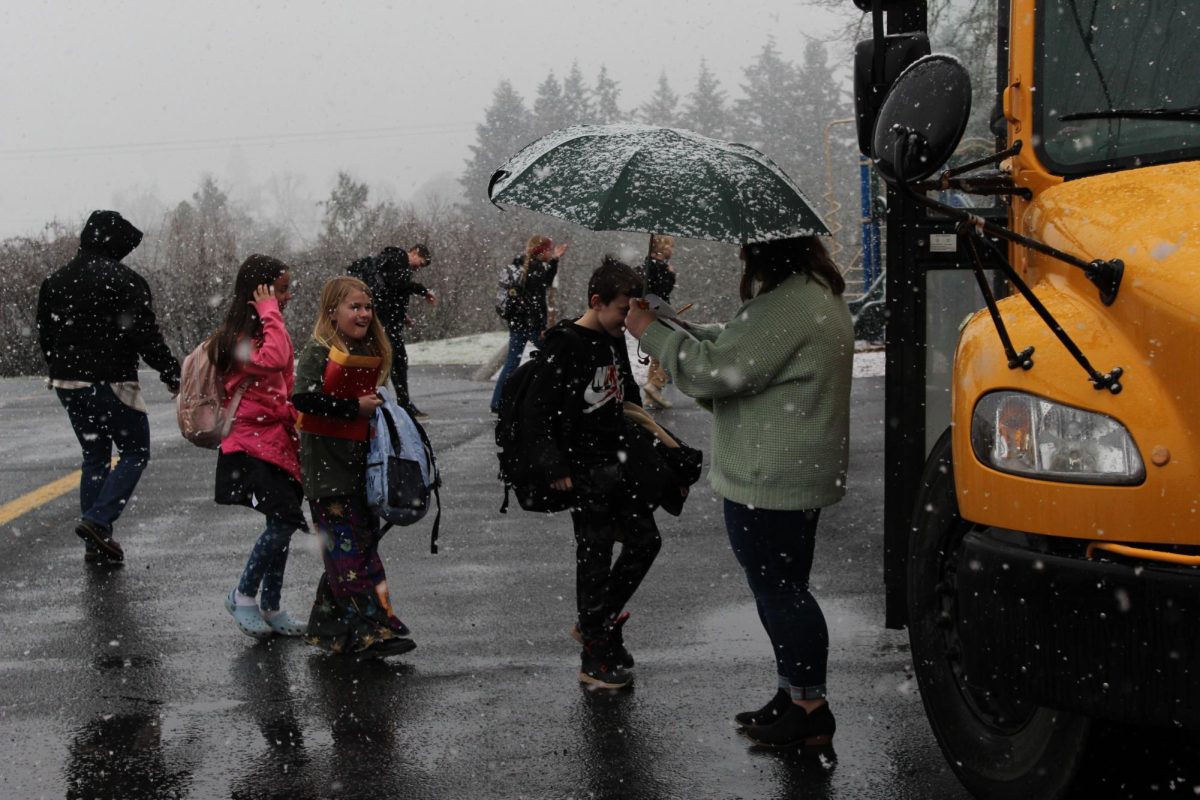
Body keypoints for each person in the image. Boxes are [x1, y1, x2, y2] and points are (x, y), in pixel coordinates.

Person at [625, 236, 853, 749]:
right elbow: (740, 345)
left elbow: (713, 370)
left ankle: (810, 709)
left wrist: (650, 332)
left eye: (747, 252)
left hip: (768, 475)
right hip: (792, 471)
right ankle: (792, 692)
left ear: (767, 254)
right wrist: (680, 327)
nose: (743, 260)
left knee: (782, 593)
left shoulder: (788, 304)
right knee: (784, 588)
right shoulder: (815, 292)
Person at [525, 256, 660, 689]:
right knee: (595, 556)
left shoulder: (612, 338)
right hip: (583, 469)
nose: (628, 320)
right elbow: (537, 411)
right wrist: (554, 465)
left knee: (646, 541)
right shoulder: (564, 343)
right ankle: (594, 657)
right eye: (624, 310)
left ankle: (596, 625)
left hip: (619, 462)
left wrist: (649, 442)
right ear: (596, 301)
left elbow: (629, 398)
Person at [36, 210, 180, 564]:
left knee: (94, 455)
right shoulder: (125, 280)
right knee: (135, 451)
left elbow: (46, 334)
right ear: (114, 242)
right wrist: (170, 371)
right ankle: (99, 522)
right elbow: (144, 334)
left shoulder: (55, 281)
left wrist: (63, 366)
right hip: (112, 380)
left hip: (67, 381)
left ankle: (95, 546)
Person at [292, 276, 415, 658]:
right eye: (354, 307)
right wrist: (352, 407)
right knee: (347, 555)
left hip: (362, 468)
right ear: (332, 312)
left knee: (358, 550)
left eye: (367, 307)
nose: (363, 314)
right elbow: (302, 399)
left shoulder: (364, 349)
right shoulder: (319, 350)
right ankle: (370, 629)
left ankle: (332, 630)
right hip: (327, 473)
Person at [210, 255, 309, 640]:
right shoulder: (237, 338)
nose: (287, 297)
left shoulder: (267, 329)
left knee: (279, 524)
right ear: (259, 292)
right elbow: (277, 359)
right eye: (281, 289)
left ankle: (271, 606)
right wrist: (270, 311)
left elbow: (286, 375)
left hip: (277, 439)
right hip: (249, 442)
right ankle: (242, 595)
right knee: (283, 521)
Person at [349, 244, 435, 419]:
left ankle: (387, 400)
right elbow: (399, 285)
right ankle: (392, 402)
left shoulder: (397, 264)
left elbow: (392, 293)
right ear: (415, 252)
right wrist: (423, 291)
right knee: (395, 360)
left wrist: (402, 317)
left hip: (387, 320)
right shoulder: (399, 258)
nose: (419, 267)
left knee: (391, 360)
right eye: (421, 263)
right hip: (385, 322)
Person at [489, 235, 568, 414]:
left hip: (517, 322)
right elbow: (536, 303)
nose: (551, 251)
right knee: (552, 355)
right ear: (542, 251)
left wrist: (555, 259)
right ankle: (550, 398)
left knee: (511, 363)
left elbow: (545, 282)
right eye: (549, 249)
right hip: (530, 324)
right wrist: (540, 328)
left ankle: (498, 402)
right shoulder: (535, 268)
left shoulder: (525, 265)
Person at [637, 234, 677, 410]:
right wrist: (670, 274)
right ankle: (655, 385)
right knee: (670, 352)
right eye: (670, 246)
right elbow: (663, 289)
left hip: (647, 311)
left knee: (656, 354)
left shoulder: (645, 265)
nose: (672, 250)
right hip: (658, 311)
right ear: (661, 248)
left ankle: (650, 396)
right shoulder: (659, 267)